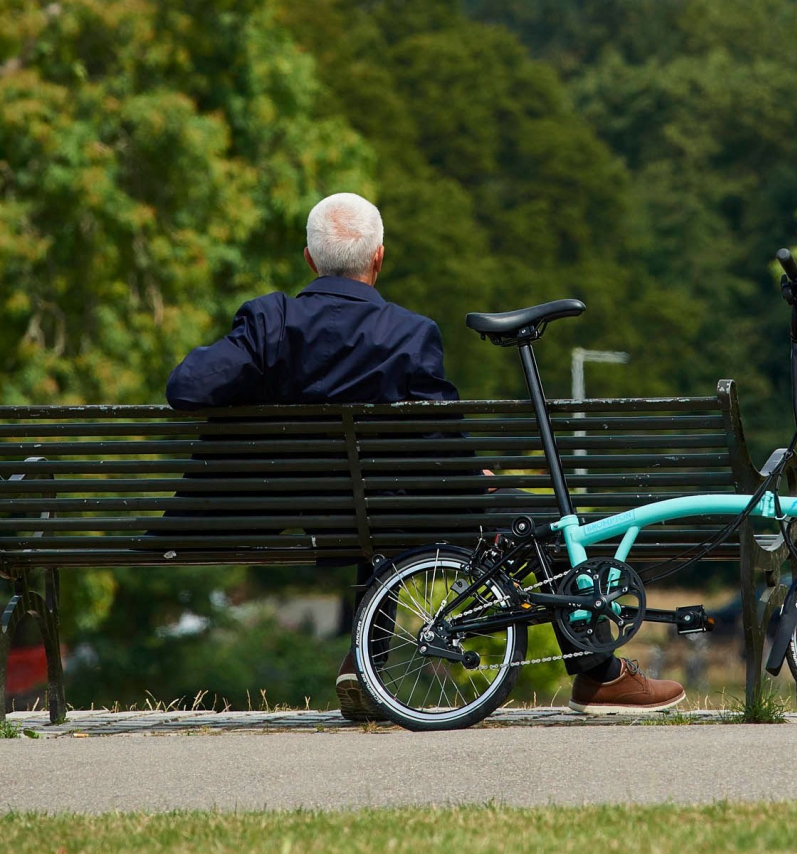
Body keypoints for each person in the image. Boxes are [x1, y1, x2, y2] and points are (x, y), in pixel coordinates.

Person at [166, 192, 685, 720]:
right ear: (378, 258)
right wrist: (473, 475)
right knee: (543, 524)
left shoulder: (267, 322)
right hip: (393, 511)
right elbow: (437, 440)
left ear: (309, 259)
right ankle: (600, 678)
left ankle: (365, 662)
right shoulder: (407, 333)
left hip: (301, 513)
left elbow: (186, 387)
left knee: (381, 508)